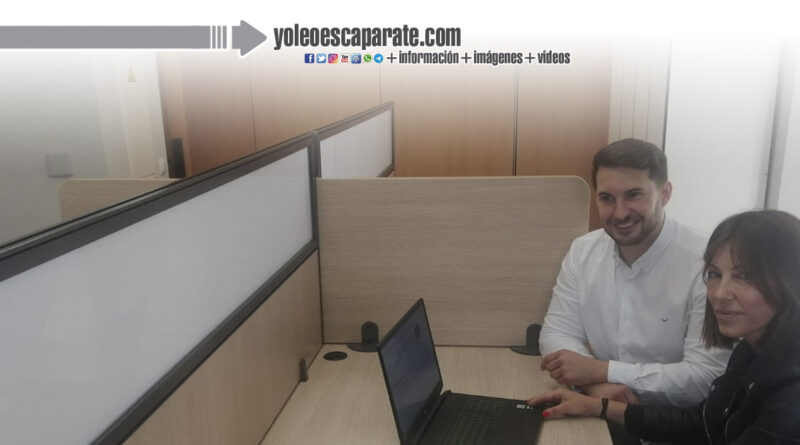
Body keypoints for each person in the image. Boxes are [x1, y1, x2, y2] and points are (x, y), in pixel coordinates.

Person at [528, 210, 800, 444]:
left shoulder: (792, 388)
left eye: (744, 276)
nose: (719, 293)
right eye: (715, 275)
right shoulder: (751, 349)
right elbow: (701, 423)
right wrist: (599, 406)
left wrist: (601, 375)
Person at [539, 138, 730, 408]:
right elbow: (557, 332)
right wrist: (594, 385)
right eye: (607, 198)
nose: (620, 213)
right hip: (600, 407)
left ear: (665, 194)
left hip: (676, 422)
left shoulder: (707, 262)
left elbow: (704, 377)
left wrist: (601, 371)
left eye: (634, 195)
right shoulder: (584, 250)